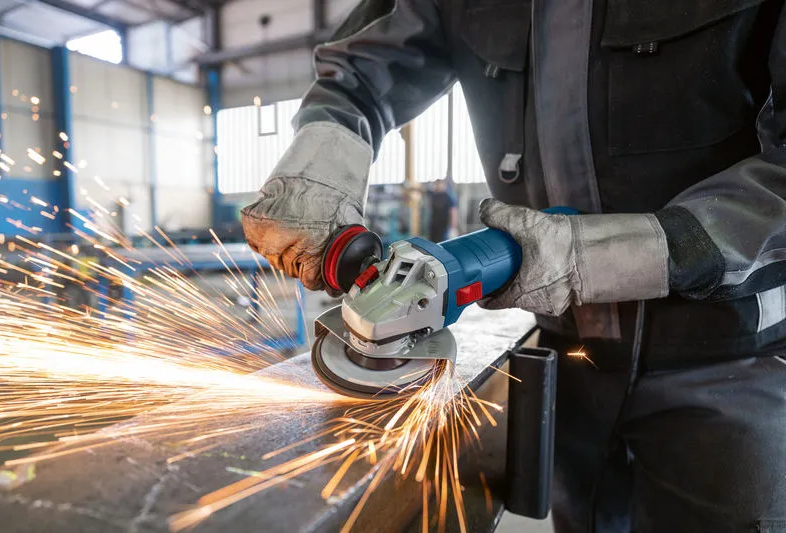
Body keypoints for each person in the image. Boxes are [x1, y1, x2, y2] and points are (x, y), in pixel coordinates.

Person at [240, 1, 786, 531]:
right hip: (568, 360)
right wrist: (317, 166)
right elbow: (358, 73)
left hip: (728, 362)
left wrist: (605, 254)